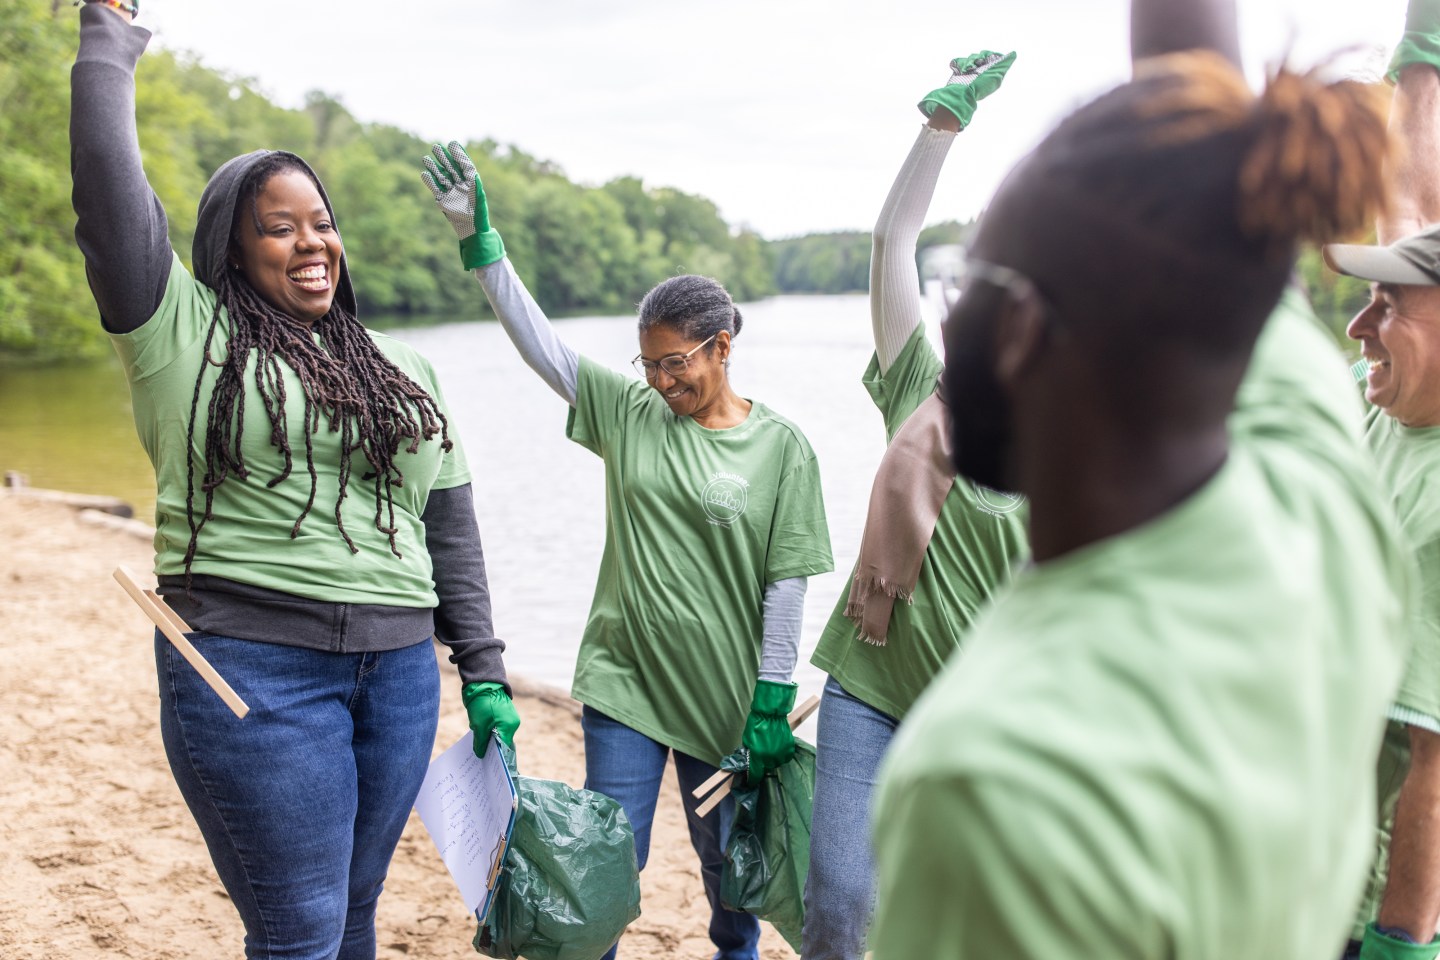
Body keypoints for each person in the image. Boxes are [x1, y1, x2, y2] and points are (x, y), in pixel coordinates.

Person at [867, 0, 1412, 956]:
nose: (951, 325)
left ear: (1027, 330)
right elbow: (1214, 180)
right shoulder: (1322, 499)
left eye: (970, 285)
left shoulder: (997, 782)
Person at [69, 3, 518, 957]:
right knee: (302, 929)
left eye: (324, 222)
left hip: (398, 674)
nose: (312, 242)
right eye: (280, 228)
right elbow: (110, 203)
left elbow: (449, 524)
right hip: (251, 666)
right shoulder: (181, 333)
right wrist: (107, 40)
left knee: (353, 919)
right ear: (233, 246)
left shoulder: (405, 367)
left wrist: (481, 670)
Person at [420, 145, 833, 960]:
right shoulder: (631, 411)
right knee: (603, 857)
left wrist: (772, 696)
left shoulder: (783, 448)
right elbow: (543, 347)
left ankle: (733, 953)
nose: (659, 380)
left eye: (674, 362)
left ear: (721, 348)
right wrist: (482, 246)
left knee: (730, 875)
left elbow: (786, 582)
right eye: (647, 364)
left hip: (726, 697)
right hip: (626, 679)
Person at [800, 51, 1028, 960]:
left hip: (989, 716)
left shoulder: (1081, 446)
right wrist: (941, 128)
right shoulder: (921, 391)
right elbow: (891, 244)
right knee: (843, 902)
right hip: (874, 688)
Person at [1324, 2, 1440, 955]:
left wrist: (1403, 938)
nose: (1357, 330)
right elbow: (1410, 209)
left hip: (1360, 920)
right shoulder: (1383, 411)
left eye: (1384, 307)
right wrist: (1423, 55)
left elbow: (1434, 765)